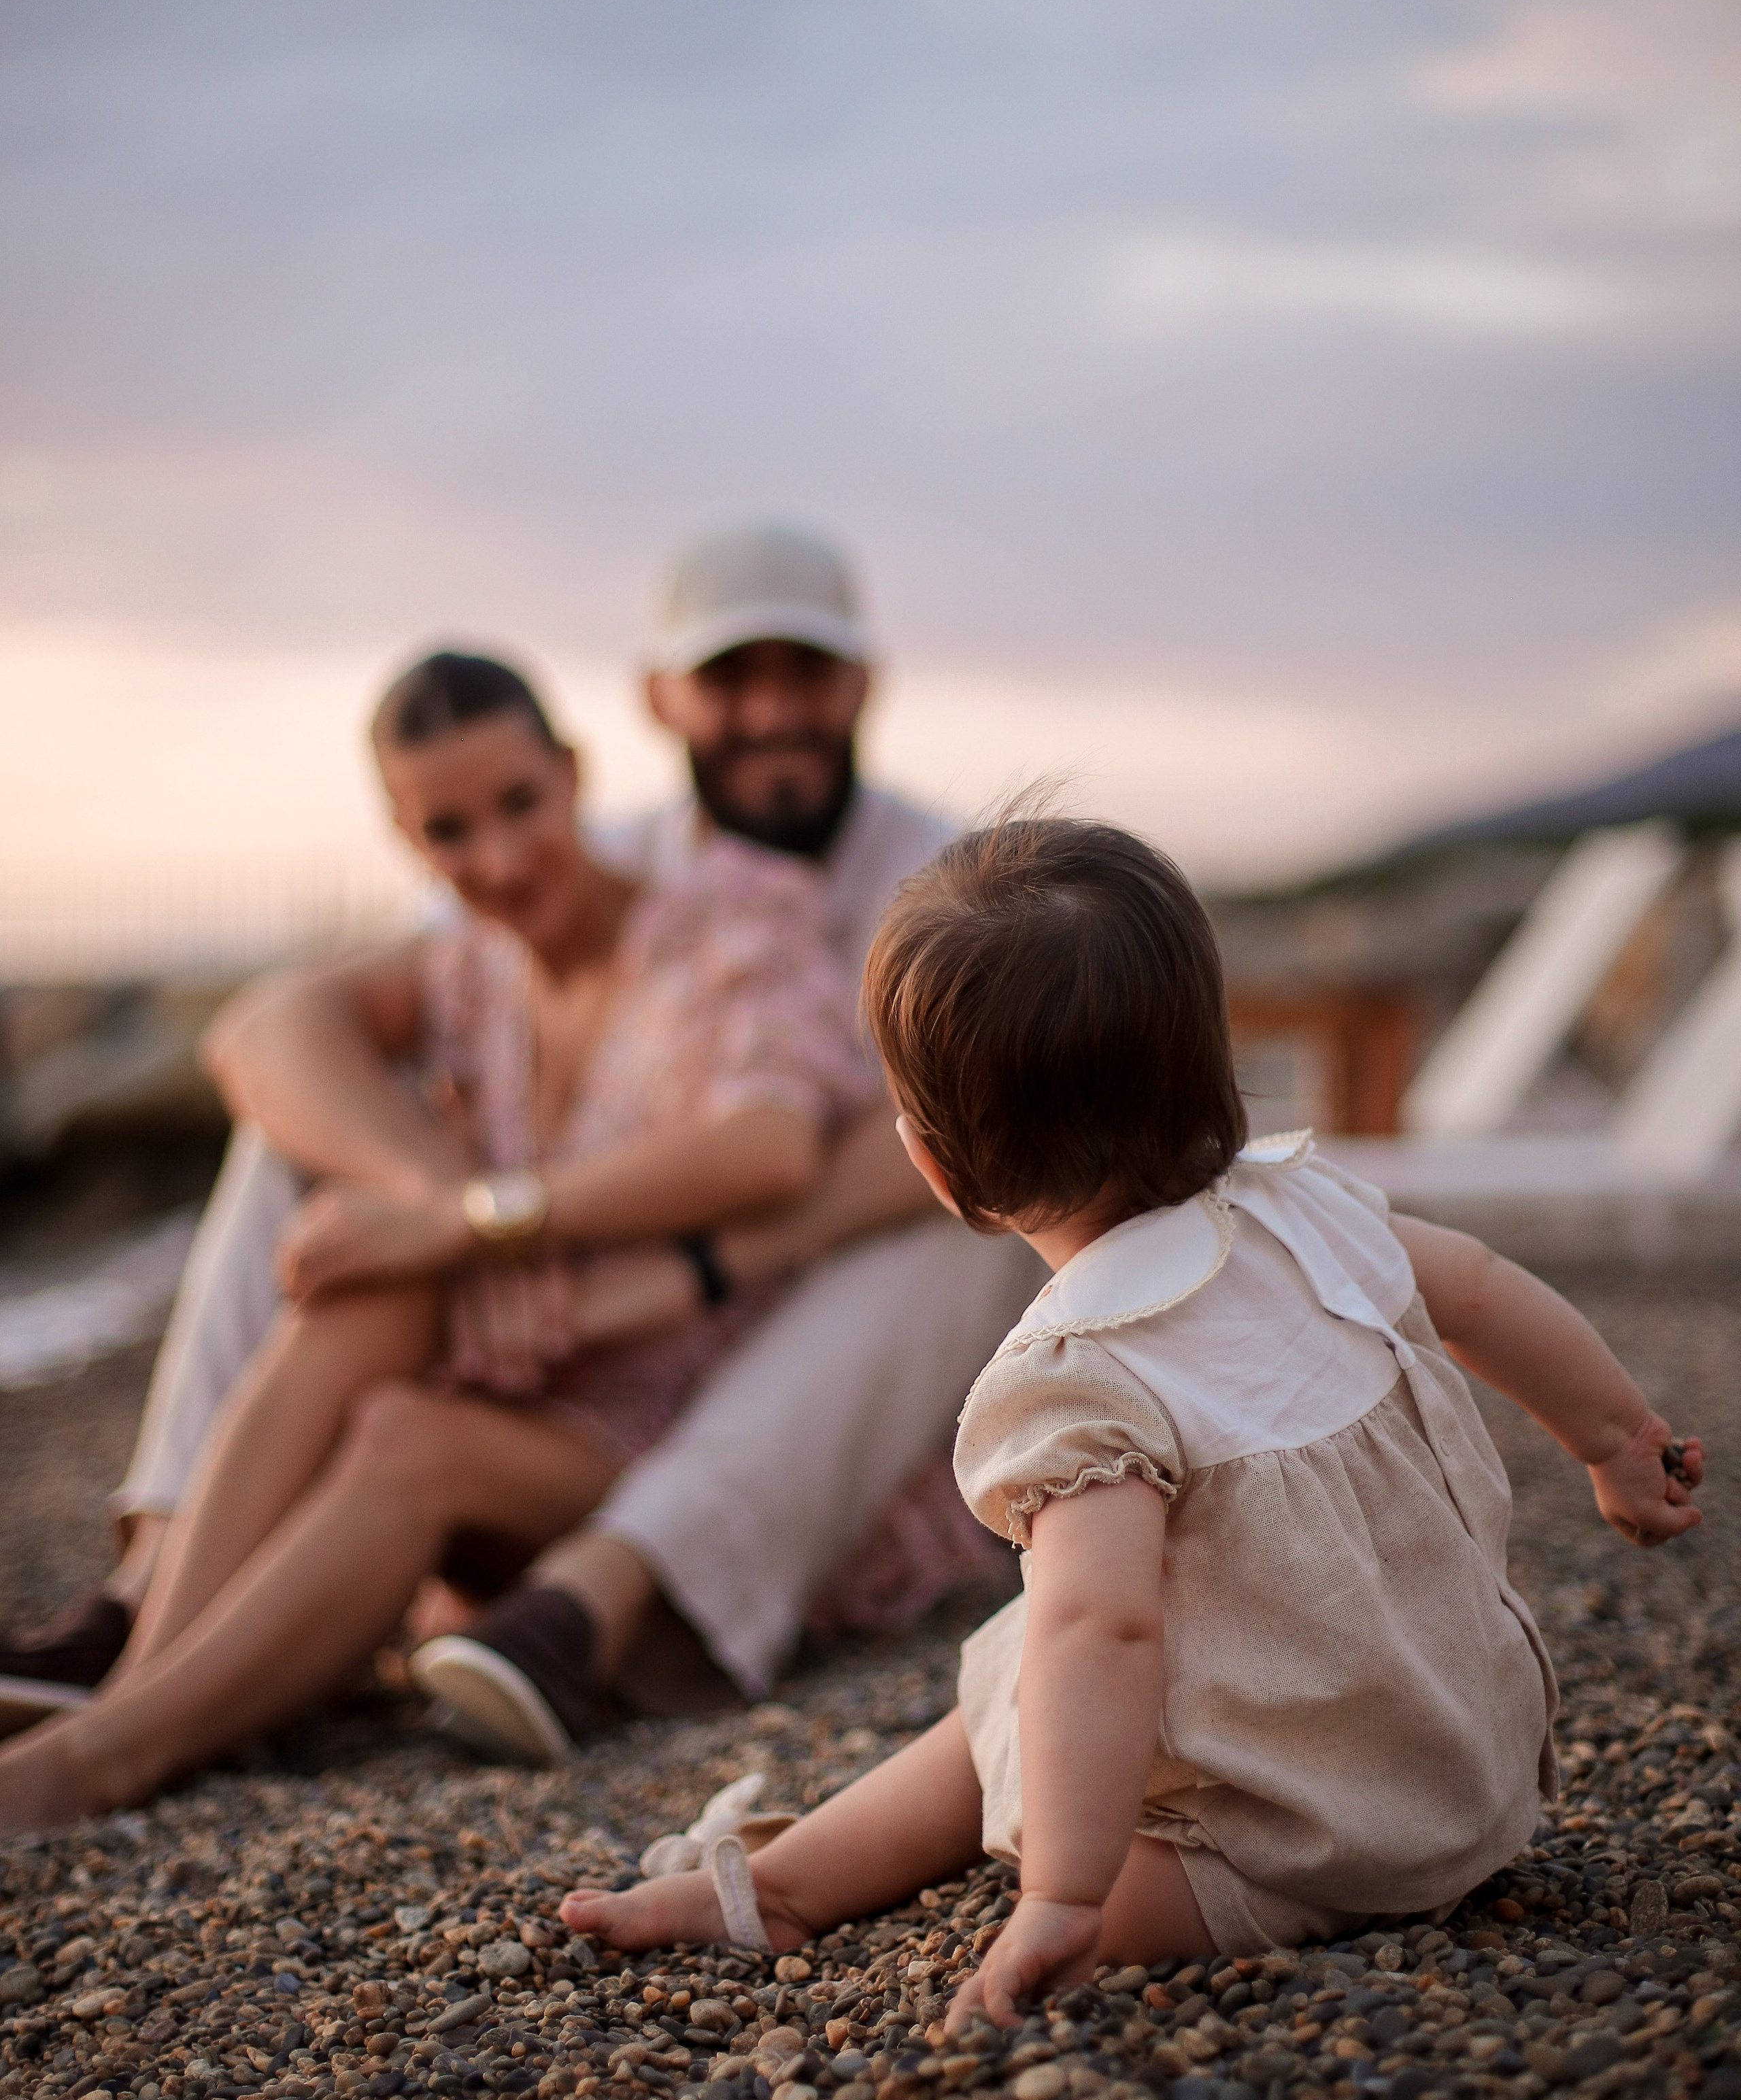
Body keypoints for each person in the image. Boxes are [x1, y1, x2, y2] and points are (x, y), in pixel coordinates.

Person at [555, 815, 1705, 2017]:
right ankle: (783, 1883)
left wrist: (1063, 1894)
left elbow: (1099, 1634)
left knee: (1022, 1692)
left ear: (942, 1175)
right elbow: (1479, 1286)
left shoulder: (1075, 1377)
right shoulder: (1308, 1212)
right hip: (1472, 1765)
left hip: (1300, 1839)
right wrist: (1617, 1443)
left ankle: (793, 1888)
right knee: (1011, 1675)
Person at [0, 528, 1041, 1752]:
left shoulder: (918, 881)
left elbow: (828, 1149)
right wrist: (453, 1208)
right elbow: (268, 1034)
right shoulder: (557, 884)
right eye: (730, 679)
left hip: (773, 1358)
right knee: (321, 1170)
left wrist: (552, 1244)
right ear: (661, 698)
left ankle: (618, 1586)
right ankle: (153, 1601)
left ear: (861, 682)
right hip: (552, 1342)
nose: (770, 712)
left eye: (803, 675)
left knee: (960, 1215)